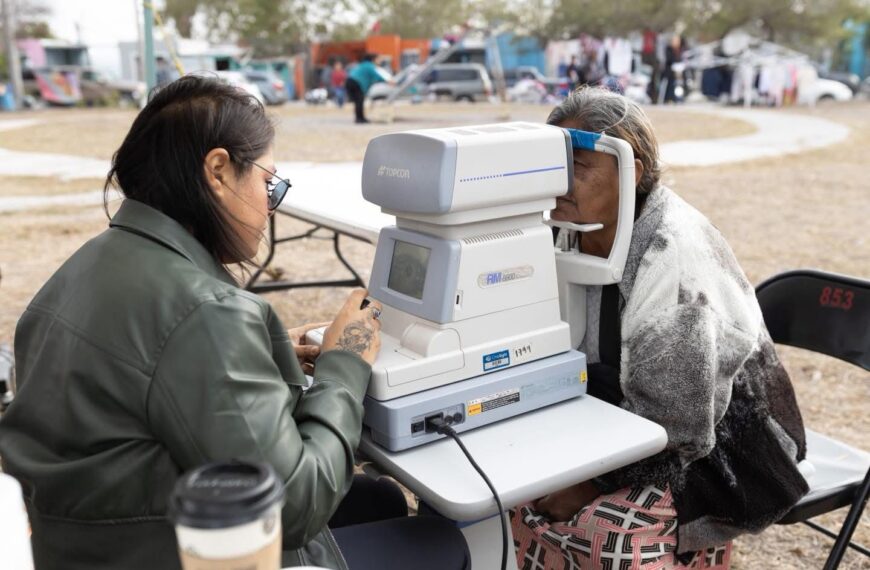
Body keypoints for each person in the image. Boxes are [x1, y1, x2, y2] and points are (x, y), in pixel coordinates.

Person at [0, 76, 469, 570]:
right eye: (268, 183)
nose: (270, 205)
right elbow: (295, 506)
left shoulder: (83, 268)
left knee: (381, 498)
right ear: (219, 171)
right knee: (442, 543)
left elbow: (153, 371)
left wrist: (258, 352)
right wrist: (344, 364)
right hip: (173, 552)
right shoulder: (206, 312)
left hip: (89, 543)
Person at [510, 87, 808, 569]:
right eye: (554, 165)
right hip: (615, 412)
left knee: (596, 529)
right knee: (505, 483)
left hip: (724, 445)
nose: (560, 182)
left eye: (579, 167)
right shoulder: (569, 228)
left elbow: (680, 426)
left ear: (632, 172)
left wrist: (592, 483)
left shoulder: (674, 257)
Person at [345, 53, 389, 124]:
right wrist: (387, 81)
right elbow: (376, 76)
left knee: (359, 101)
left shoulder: (364, 64)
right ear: (373, 59)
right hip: (355, 82)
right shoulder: (369, 65)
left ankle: (360, 118)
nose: (380, 61)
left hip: (351, 81)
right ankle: (359, 119)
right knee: (359, 101)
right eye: (378, 59)